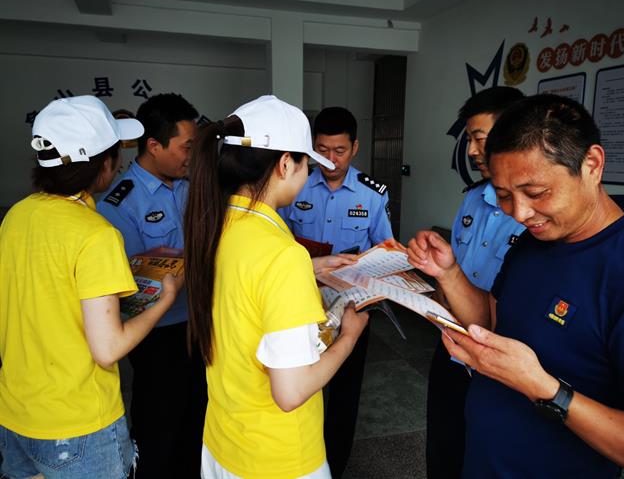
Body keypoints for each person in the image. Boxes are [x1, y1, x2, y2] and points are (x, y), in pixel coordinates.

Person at [408, 94, 624, 478]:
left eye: (536, 193)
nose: (520, 213)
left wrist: (545, 390)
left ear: (591, 164)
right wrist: (449, 273)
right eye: (504, 195)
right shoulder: (532, 241)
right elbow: (492, 322)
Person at [184, 94, 370, 479]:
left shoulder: (219, 225)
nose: (306, 176)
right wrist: (350, 337)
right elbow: (291, 392)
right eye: (306, 164)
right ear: (286, 164)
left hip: (223, 442)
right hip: (277, 458)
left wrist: (310, 268)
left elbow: (245, 284)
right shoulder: (283, 254)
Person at [0, 95, 181, 479]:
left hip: (16, 415)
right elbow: (108, 348)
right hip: (78, 426)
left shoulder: (17, 215)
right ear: (104, 163)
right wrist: (165, 298)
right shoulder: (95, 234)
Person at [278, 106, 394, 478]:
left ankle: (335, 465)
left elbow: (385, 250)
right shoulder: (293, 185)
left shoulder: (372, 194)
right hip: (299, 305)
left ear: (355, 147)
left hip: (350, 310)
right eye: (322, 150)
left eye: (339, 151)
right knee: (296, 386)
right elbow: (277, 241)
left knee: (345, 392)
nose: (330, 159)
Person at [96, 93, 206, 478]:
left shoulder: (191, 186)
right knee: (159, 427)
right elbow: (130, 287)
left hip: (198, 323)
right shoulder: (118, 204)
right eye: (187, 147)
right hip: (156, 334)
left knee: (198, 418)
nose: (192, 155)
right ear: (154, 145)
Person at [426, 86, 525, 478]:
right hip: (451, 349)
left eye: (479, 138)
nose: (471, 151)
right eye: (469, 139)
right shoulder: (473, 198)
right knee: (442, 452)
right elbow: (455, 268)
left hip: (499, 366)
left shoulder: (534, 215)